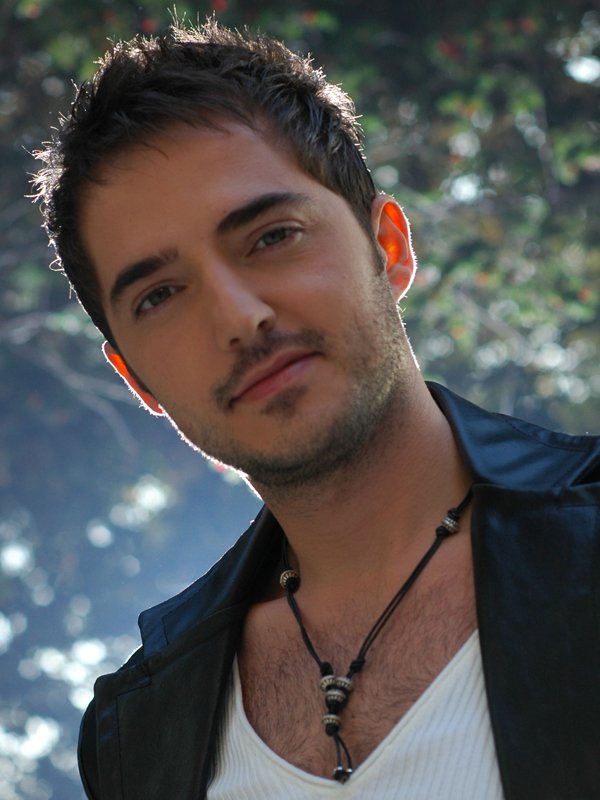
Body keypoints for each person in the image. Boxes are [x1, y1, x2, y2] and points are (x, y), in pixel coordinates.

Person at [34, 19, 600, 800]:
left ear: (388, 247)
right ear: (138, 381)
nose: (238, 317)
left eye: (272, 237)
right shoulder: (137, 730)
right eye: (159, 295)